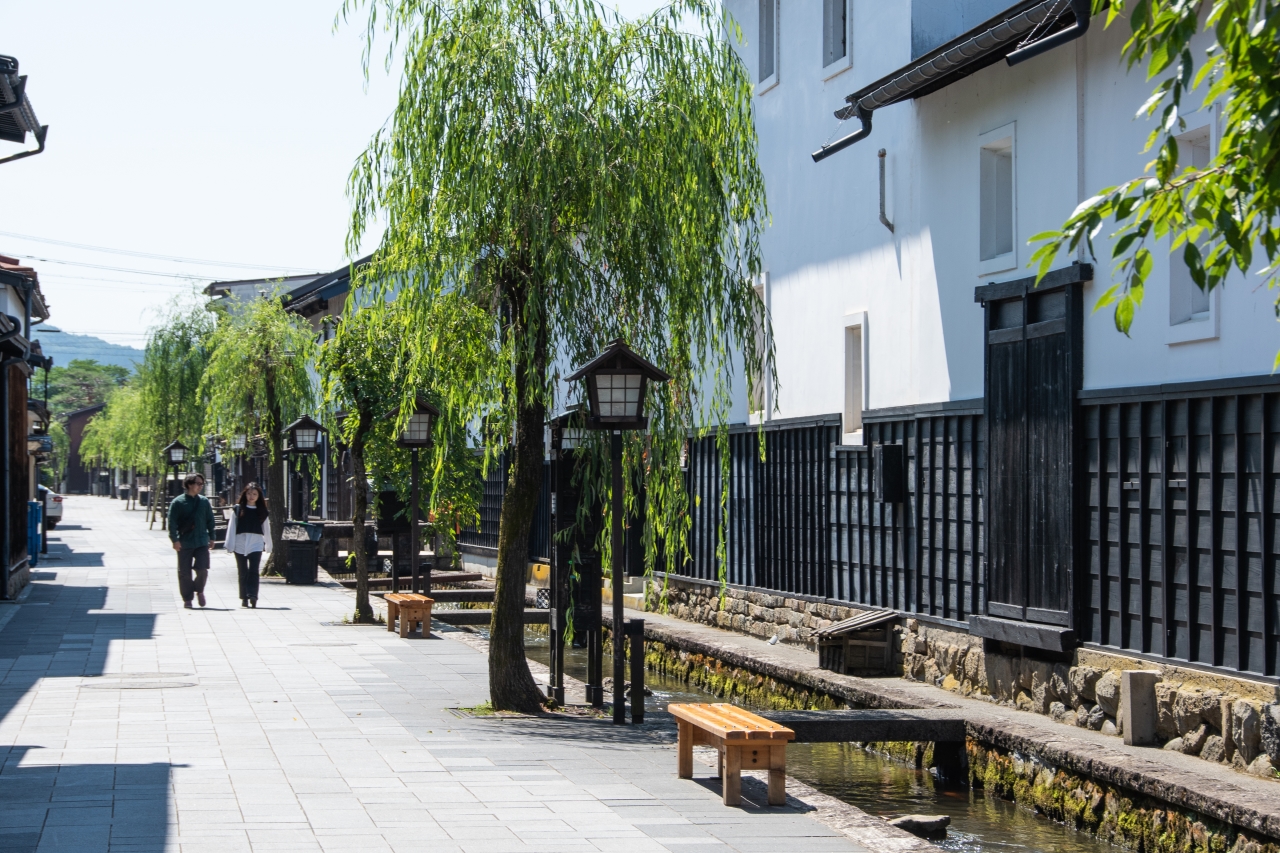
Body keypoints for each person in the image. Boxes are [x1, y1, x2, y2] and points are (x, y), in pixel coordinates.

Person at [168, 472, 216, 609]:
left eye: (202, 484)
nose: (201, 486)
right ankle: (187, 598)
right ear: (189, 484)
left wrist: (212, 537)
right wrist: (175, 540)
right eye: (198, 483)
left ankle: (199, 590)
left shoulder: (204, 502)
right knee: (184, 572)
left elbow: (210, 520)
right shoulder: (178, 502)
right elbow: (172, 523)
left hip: (201, 541)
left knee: (203, 570)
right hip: (185, 542)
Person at [225, 483, 272, 608]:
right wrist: (230, 544)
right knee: (242, 571)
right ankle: (244, 597)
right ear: (245, 494)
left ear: (259, 496)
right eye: (249, 494)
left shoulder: (262, 511)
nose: (251, 496)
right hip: (240, 543)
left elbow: (266, 529)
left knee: (254, 570)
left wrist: (268, 544)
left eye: (254, 494)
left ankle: (253, 595)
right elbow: (232, 527)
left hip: (256, 543)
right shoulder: (238, 509)